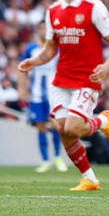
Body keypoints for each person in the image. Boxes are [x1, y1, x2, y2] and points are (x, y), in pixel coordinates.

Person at [18, 0, 109, 191]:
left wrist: (107, 66)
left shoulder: (94, 7)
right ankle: (90, 179)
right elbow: (50, 49)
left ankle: (103, 120)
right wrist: (34, 61)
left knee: (74, 128)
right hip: (61, 80)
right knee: (63, 130)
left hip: (87, 79)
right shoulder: (53, 11)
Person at [18, 21, 67, 173]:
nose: (44, 31)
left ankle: (58, 157)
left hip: (53, 93)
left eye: (46, 28)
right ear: (37, 30)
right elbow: (22, 67)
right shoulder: (32, 49)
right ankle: (45, 161)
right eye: (41, 28)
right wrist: (21, 87)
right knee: (40, 126)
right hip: (37, 95)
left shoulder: (57, 47)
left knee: (56, 125)